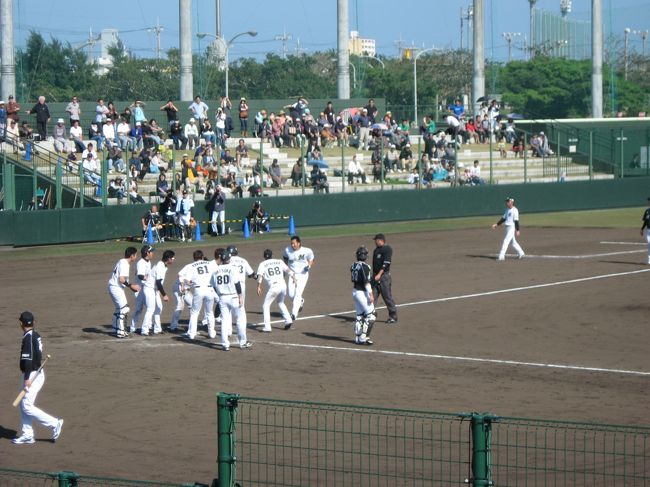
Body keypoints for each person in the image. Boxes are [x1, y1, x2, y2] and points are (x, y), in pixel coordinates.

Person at [12, 311, 64, 445]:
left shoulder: (28, 337)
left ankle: (54, 423)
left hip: (32, 375)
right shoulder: (35, 335)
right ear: (33, 322)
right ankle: (27, 434)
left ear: (20, 323)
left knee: (27, 406)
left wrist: (27, 379)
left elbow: (28, 360)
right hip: (33, 373)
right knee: (24, 405)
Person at [211, 249, 251, 351]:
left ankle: (225, 344)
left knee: (224, 321)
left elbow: (213, 286)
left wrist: (219, 294)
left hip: (222, 298)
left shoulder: (215, 270)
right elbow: (237, 284)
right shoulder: (233, 268)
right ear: (229, 258)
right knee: (240, 319)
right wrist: (240, 297)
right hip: (233, 297)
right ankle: (243, 342)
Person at [256, 249, 294, 332]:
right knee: (280, 302)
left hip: (274, 287)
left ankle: (267, 327)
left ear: (264, 257)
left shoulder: (262, 264)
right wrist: (293, 277)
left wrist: (258, 286)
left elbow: (259, 276)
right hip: (283, 285)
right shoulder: (279, 261)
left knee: (265, 305)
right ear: (272, 255)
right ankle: (288, 320)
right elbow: (288, 270)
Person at [183, 250, 217, 340]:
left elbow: (187, 280)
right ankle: (211, 333)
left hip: (198, 290)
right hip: (209, 289)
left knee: (194, 313)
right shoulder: (209, 263)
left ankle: (192, 333)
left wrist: (190, 283)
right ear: (202, 257)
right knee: (209, 312)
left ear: (194, 258)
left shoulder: (191, 266)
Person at [108, 247, 140, 338]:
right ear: (131, 256)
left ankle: (116, 328)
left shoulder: (122, 261)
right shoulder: (125, 264)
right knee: (124, 309)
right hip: (115, 287)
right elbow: (121, 279)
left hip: (113, 287)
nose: (136, 257)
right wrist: (131, 286)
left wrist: (130, 287)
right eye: (135, 255)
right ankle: (121, 331)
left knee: (119, 308)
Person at [283, 235, 315, 321]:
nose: (292, 245)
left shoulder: (307, 251)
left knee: (297, 294)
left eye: (294, 243)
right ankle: (301, 301)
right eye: (291, 243)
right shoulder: (287, 250)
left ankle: (294, 314)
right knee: (290, 295)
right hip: (292, 275)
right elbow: (285, 258)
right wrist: (286, 269)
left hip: (302, 275)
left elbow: (312, 259)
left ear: (298, 243)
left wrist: (309, 266)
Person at [350, 246, 376, 345]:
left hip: (355, 291)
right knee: (371, 315)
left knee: (360, 315)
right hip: (362, 293)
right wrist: (371, 294)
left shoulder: (353, 265)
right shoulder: (365, 267)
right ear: (365, 256)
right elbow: (366, 282)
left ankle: (357, 337)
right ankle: (363, 337)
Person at [129, 245, 156, 335]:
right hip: (139, 289)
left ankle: (147, 327)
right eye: (151, 252)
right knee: (139, 309)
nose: (153, 253)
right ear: (147, 253)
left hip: (145, 288)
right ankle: (134, 328)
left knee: (148, 308)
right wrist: (149, 278)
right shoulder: (141, 263)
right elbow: (140, 275)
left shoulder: (148, 262)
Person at [372, 233, 397, 323]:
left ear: (380, 240)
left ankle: (393, 316)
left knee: (387, 297)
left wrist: (379, 274)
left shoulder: (387, 249)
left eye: (376, 240)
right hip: (375, 277)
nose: (375, 242)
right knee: (372, 296)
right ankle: (371, 314)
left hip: (384, 277)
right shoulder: (376, 250)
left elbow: (386, 263)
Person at [492, 197, 525, 261]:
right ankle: (521, 253)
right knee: (513, 242)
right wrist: (496, 224)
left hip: (511, 228)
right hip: (507, 228)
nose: (507, 203)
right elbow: (503, 219)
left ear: (512, 202)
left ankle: (501, 256)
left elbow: (516, 221)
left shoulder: (515, 210)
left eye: (508, 201)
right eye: (506, 201)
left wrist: (517, 230)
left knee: (505, 241)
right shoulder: (507, 210)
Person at [152, 250, 175, 334]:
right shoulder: (160, 266)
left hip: (155, 290)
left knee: (157, 308)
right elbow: (158, 282)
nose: (173, 259)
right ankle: (148, 328)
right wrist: (164, 295)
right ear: (168, 258)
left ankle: (157, 328)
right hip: (151, 289)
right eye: (172, 258)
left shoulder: (163, 266)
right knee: (153, 309)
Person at [640, 197, 650, 265]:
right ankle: (649, 259)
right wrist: (642, 229)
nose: (648, 202)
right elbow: (645, 221)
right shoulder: (647, 211)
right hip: (648, 230)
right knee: (649, 244)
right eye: (648, 201)